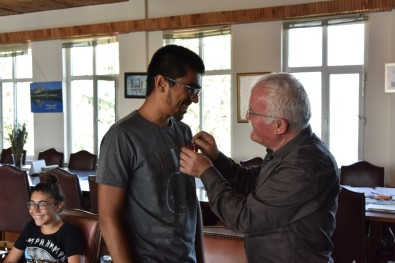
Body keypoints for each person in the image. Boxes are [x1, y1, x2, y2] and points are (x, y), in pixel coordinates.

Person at [179, 72, 340, 263]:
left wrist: (205, 171)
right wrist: (216, 158)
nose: (247, 116)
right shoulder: (289, 149)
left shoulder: (304, 165)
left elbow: (244, 217)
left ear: (279, 126)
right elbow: (250, 183)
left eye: (253, 112)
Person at [96, 44, 205, 262]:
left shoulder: (183, 132)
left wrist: (200, 256)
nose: (195, 100)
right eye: (190, 89)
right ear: (161, 83)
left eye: (197, 91)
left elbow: (190, 201)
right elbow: (108, 216)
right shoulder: (122, 136)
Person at [4, 174, 83, 263]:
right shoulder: (30, 227)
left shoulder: (69, 232)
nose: (35, 210)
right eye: (32, 204)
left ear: (58, 206)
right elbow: (10, 260)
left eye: (42, 204)